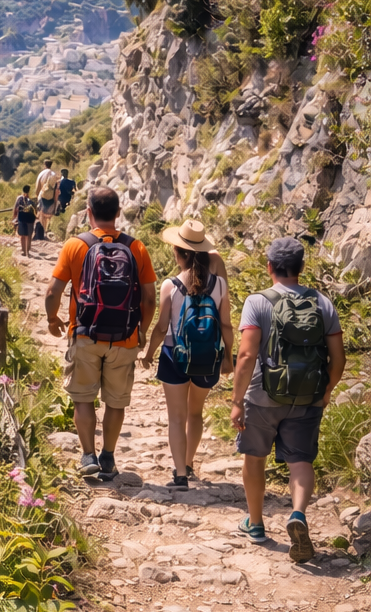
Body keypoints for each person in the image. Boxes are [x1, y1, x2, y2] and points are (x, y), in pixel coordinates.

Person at [232, 236, 345, 561]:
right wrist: (325, 392)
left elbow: (246, 354)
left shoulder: (257, 301)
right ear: (302, 268)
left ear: (269, 267)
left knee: (254, 458)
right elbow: (338, 359)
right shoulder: (322, 303)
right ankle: (297, 513)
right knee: (300, 461)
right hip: (307, 395)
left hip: (262, 397)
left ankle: (255, 524)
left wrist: (237, 401)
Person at [44, 186, 157, 479]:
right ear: (118, 213)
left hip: (84, 333)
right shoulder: (137, 247)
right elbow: (149, 298)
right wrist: (141, 330)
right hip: (125, 337)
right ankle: (108, 456)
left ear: (88, 212)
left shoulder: (75, 245)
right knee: (115, 401)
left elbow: (53, 291)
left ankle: (87, 456)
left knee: (83, 398)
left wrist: (52, 319)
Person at [140, 220, 234, 487]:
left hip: (174, 356)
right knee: (195, 413)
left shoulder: (170, 286)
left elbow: (161, 327)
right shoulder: (219, 286)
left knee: (176, 417)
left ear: (179, 254)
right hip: (208, 358)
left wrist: (149, 354)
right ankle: (190, 463)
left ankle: (180, 473)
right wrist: (228, 357)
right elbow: (226, 325)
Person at [36, 158, 60, 236]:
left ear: (44, 165)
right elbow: (56, 188)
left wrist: (38, 196)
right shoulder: (53, 174)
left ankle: (41, 233)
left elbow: (37, 188)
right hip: (51, 198)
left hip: (42, 197)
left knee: (42, 215)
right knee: (48, 217)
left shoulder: (41, 174)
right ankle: (46, 231)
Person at [12, 184, 36, 258]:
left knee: (22, 235)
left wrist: (14, 217)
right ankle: (27, 251)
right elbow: (35, 210)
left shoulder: (19, 198)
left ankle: (24, 251)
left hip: (22, 217)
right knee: (29, 235)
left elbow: (16, 208)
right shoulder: (32, 199)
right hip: (30, 218)